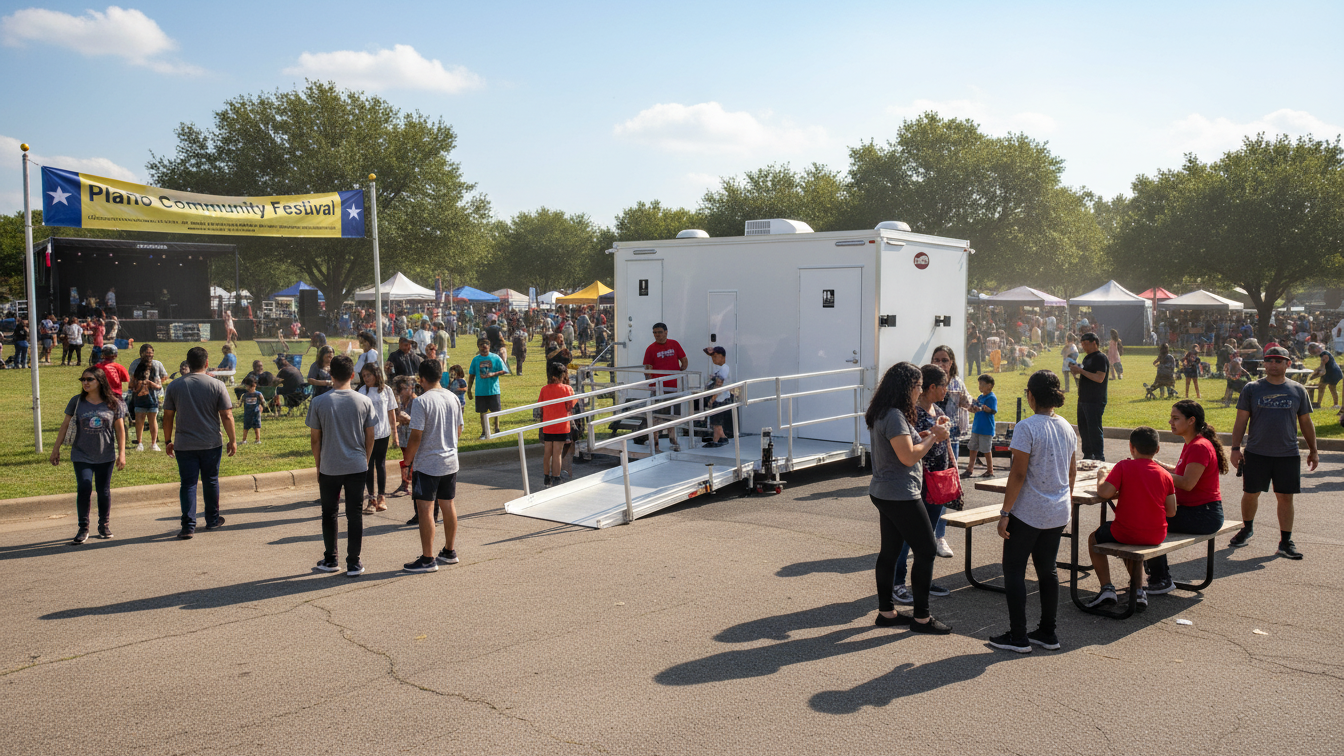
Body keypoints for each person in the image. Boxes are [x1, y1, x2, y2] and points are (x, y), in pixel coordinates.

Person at [989, 370, 1076, 653]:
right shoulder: (1066, 426)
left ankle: (1018, 636)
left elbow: (1018, 473)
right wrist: (1067, 500)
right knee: (1047, 570)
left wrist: (1005, 512)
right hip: (1057, 510)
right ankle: (1048, 632)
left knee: (1014, 569)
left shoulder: (1027, 427)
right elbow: (1072, 471)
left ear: (1031, 395)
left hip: (1029, 511)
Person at [866, 362, 953, 635]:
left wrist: (929, 434)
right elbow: (908, 456)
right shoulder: (893, 415)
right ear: (907, 387)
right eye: (917, 386)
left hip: (885, 491)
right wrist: (934, 438)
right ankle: (922, 618)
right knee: (926, 550)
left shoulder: (886, 411)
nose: (919, 392)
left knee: (890, 552)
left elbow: (906, 444)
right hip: (900, 493)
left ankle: (886, 612)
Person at [1229, 346, 1318, 559]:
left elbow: (1305, 421)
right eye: (1269, 360)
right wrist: (1234, 449)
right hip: (1257, 452)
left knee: (1285, 497)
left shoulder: (1298, 390)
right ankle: (1247, 528)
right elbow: (1241, 420)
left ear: (1288, 363)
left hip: (1287, 454)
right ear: (1264, 363)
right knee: (1251, 493)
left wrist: (1314, 450)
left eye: (1279, 360)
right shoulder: (1252, 389)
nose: (1273, 364)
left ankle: (1286, 541)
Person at [1141, 399, 1229, 594]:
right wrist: (1153, 463)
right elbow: (1181, 472)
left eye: (1175, 418)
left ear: (1191, 421)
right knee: (1149, 516)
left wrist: (1155, 473)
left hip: (1203, 515)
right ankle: (1156, 574)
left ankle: (1160, 579)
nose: (1170, 422)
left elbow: (1187, 483)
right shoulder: (1193, 443)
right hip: (1199, 512)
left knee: (1147, 521)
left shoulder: (1199, 446)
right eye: (1171, 418)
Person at [1086, 427, 1178, 608]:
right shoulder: (1166, 475)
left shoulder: (1123, 466)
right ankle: (1138, 590)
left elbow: (1104, 493)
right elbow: (1171, 511)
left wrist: (1102, 476)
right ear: (1157, 449)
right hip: (1156, 535)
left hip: (1126, 531)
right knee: (1133, 543)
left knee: (1093, 539)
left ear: (1131, 447)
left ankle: (1107, 588)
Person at [890, 364, 958, 605]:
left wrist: (941, 426)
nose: (946, 391)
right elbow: (912, 444)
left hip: (937, 482)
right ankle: (897, 584)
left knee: (927, 537)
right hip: (918, 481)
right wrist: (935, 432)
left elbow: (937, 436)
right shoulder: (911, 413)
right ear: (931, 387)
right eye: (943, 386)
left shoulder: (936, 408)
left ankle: (923, 581)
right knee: (908, 537)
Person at [306, 355, 377, 576]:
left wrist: (318, 465)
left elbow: (315, 439)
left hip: (330, 465)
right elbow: (370, 436)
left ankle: (331, 558)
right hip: (357, 464)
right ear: (353, 375)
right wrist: (365, 459)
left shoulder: (319, 402)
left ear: (330, 375)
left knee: (329, 513)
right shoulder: (364, 401)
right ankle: (354, 562)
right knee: (354, 514)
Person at [163, 347, 237, 539]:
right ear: (206, 363)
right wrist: (232, 440)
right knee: (210, 480)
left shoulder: (174, 386)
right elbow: (227, 415)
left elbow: (168, 416)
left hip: (184, 443)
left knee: (188, 484)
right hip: (211, 442)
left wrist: (168, 440)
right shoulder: (217, 384)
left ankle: (188, 526)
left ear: (187, 363)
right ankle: (212, 520)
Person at [50, 367, 127, 544]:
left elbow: (120, 430)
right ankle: (83, 527)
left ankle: (103, 525)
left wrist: (121, 454)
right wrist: (56, 449)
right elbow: (64, 426)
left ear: (99, 381)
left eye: (89, 379)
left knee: (103, 490)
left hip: (105, 454)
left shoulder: (113, 403)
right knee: (84, 487)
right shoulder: (77, 402)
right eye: (82, 379)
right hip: (81, 454)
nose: (85, 382)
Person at [403, 359, 465, 573]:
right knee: (448, 505)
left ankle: (428, 558)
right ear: (440, 375)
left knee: (426, 509)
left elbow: (416, 436)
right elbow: (459, 429)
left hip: (428, 463)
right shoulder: (453, 397)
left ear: (421, 379)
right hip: (450, 460)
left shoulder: (421, 401)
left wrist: (407, 462)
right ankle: (449, 550)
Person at [358, 363, 398, 514]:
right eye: (364, 376)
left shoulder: (386, 390)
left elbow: (391, 413)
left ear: (376, 374)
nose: (366, 378)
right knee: (368, 465)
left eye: (368, 375)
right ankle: (370, 498)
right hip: (367, 435)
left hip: (383, 433)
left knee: (380, 464)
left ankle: (381, 497)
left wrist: (395, 435)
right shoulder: (362, 391)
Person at [643, 323, 688, 453]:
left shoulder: (674, 344)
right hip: (658, 388)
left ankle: (673, 440)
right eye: (655, 332)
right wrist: (651, 384)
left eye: (659, 332)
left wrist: (679, 372)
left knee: (673, 415)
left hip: (673, 387)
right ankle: (656, 444)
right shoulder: (650, 349)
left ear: (666, 332)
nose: (657, 335)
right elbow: (647, 368)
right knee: (656, 417)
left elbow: (684, 360)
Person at [1070, 332, 1109, 461]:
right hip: (1083, 398)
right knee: (1083, 428)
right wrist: (1077, 372)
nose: (1084, 347)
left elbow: (1099, 378)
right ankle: (1087, 455)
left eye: (1086, 344)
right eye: (1082, 344)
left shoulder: (1100, 358)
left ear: (1094, 343)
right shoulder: (1087, 358)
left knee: (1094, 428)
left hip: (1095, 399)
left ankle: (1098, 456)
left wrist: (1081, 371)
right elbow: (1087, 376)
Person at [539, 362, 576, 487]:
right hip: (561, 425)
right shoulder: (567, 389)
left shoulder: (544, 389)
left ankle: (546, 477)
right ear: (563, 375)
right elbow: (571, 405)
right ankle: (556, 477)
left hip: (548, 425)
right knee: (557, 454)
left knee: (547, 453)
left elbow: (540, 406)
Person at [466, 338, 509, 440]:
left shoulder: (495, 358)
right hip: (481, 391)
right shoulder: (476, 360)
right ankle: (484, 431)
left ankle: (497, 428)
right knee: (482, 412)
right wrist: (469, 390)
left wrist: (493, 374)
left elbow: (504, 370)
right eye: (481, 344)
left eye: (486, 344)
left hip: (493, 390)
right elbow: (471, 375)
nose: (484, 346)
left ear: (489, 346)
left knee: (496, 411)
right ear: (478, 347)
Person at [965, 374, 998, 478]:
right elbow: (976, 409)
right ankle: (970, 468)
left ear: (989, 386)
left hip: (986, 429)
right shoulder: (980, 397)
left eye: (982, 384)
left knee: (986, 450)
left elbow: (993, 411)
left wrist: (984, 408)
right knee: (972, 447)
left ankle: (990, 470)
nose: (980, 387)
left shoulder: (991, 397)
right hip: (976, 427)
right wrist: (972, 408)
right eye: (979, 384)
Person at [129, 357, 163, 451]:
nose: (146, 373)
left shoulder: (152, 378)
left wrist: (149, 383)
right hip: (140, 402)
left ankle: (154, 443)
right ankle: (140, 443)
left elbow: (158, 387)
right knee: (140, 422)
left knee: (152, 421)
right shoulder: (136, 378)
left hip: (152, 401)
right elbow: (130, 386)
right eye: (145, 371)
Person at [702, 346, 733, 447]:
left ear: (723, 357)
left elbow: (718, 385)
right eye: (712, 357)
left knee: (717, 423)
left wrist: (712, 399)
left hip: (720, 399)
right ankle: (722, 438)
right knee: (715, 421)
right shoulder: (719, 368)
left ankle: (716, 440)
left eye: (716, 356)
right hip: (718, 398)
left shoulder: (724, 369)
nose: (714, 359)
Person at [1307, 342, 1342, 410]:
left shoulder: (1325, 355)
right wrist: (1315, 371)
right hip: (1329, 372)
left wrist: (1313, 376)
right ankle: (1318, 403)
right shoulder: (1323, 354)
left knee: (1331, 388)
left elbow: (1322, 370)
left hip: (1333, 373)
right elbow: (1321, 367)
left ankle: (1336, 404)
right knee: (1322, 387)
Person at [239, 376, 264, 445]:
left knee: (257, 427)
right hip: (248, 414)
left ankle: (257, 439)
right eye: (248, 387)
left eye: (251, 387)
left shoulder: (258, 394)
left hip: (256, 413)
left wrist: (261, 406)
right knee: (246, 427)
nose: (250, 389)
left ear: (255, 385)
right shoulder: (245, 395)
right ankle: (244, 440)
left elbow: (263, 402)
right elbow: (240, 403)